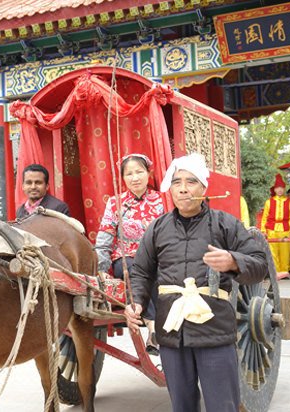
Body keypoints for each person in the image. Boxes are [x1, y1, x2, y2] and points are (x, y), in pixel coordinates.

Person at [124, 153, 267, 412]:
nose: (183, 189)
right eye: (177, 182)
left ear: (203, 187)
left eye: (191, 182)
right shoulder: (157, 229)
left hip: (215, 333)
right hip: (172, 333)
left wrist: (233, 261)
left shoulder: (226, 225)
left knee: (222, 405)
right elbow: (142, 272)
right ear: (170, 188)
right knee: (182, 406)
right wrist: (136, 303)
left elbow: (259, 264)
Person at [94, 154, 164, 354]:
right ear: (123, 178)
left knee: (159, 272)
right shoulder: (115, 203)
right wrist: (100, 268)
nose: (135, 177)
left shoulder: (160, 201)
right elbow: (105, 235)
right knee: (135, 271)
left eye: (139, 172)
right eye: (129, 173)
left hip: (157, 258)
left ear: (148, 173)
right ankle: (152, 329)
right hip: (127, 259)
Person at [260, 174, 290, 279]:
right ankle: (275, 273)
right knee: (273, 252)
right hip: (271, 229)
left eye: (281, 188)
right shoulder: (268, 202)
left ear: (284, 189)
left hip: (285, 229)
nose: (280, 190)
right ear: (274, 189)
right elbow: (265, 217)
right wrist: (263, 230)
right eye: (277, 188)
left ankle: (284, 272)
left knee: (285, 251)